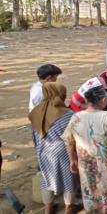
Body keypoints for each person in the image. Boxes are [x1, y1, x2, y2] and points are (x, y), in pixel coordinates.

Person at [63, 86, 107, 213]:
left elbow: (68, 141)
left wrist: (72, 159)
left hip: (85, 163)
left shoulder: (76, 117)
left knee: (90, 187)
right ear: (103, 100)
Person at [29, 83, 76, 214]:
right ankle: (69, 208)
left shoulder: (36, 111)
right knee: (69, 180)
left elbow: (33, 135)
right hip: (63, 152)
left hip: (43, 151)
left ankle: (48, 208)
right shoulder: (67, 114)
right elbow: (71, 138)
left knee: (47, 180)